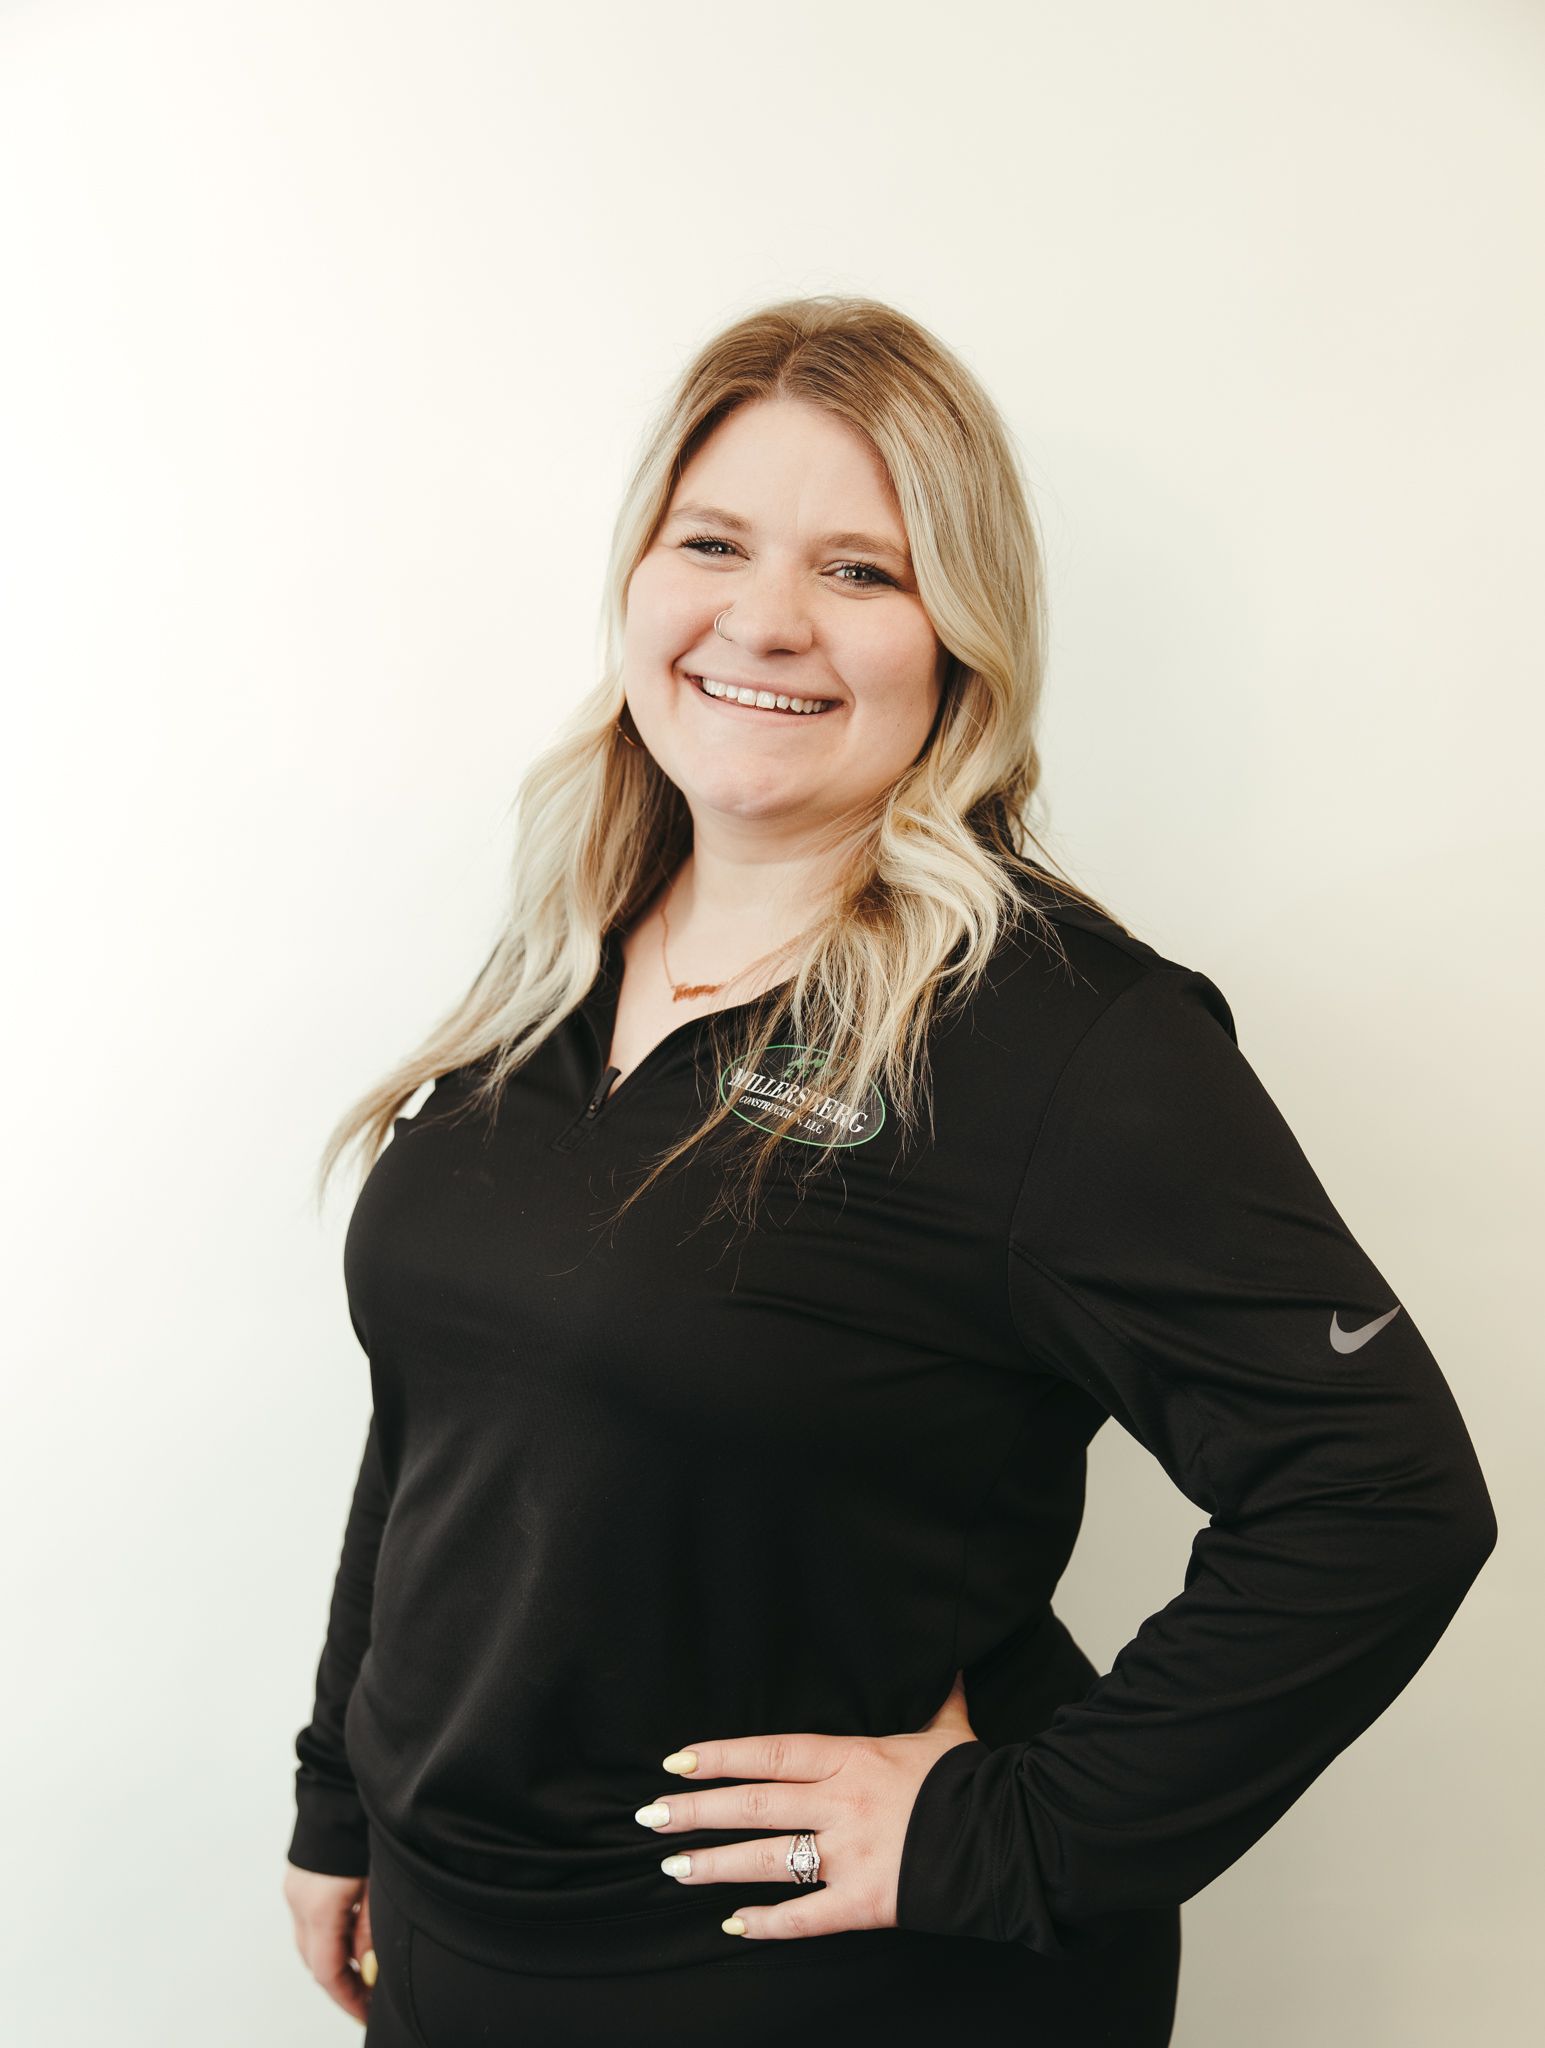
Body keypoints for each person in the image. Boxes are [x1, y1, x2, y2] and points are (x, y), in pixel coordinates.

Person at [281, 295, 1497, 2048]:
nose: (763, 618)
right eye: (712, 542)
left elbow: (1379, 1498)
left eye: (863, 569)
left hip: (818, 1985)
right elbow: (446, 1423)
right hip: (467, 1945)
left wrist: (1026, 1829)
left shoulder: (1061, 1041)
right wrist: (344, 1797)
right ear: (637, 579)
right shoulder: (560, 960)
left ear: (962, 639)